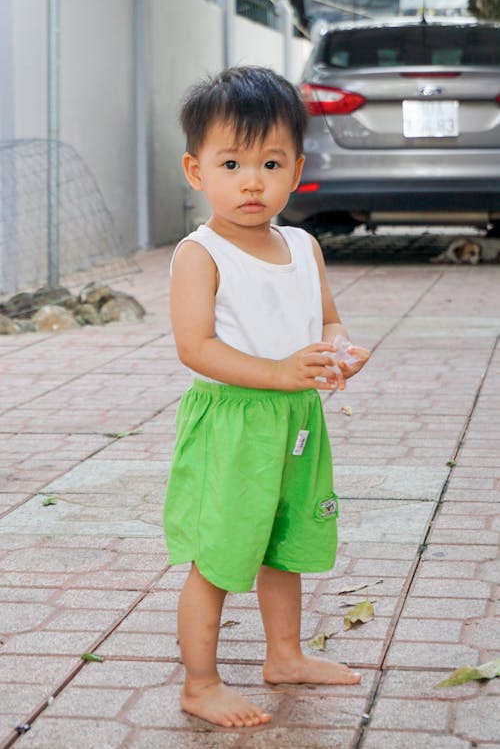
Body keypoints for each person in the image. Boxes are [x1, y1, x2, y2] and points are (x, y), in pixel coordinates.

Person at [164, 66, 370, 729]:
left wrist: (340, 351)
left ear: (297, 168)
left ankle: (285, 653)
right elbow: (195, 347)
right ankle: (201, 682)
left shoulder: (303, 246)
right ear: (197, 170)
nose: (252, 180)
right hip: (236, 422)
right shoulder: (201, 254)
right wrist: (278, 373)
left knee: (286, 540)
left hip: (298, 419)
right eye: (232, 162)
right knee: (222, 553)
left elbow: (327, 320)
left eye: (270, 162)